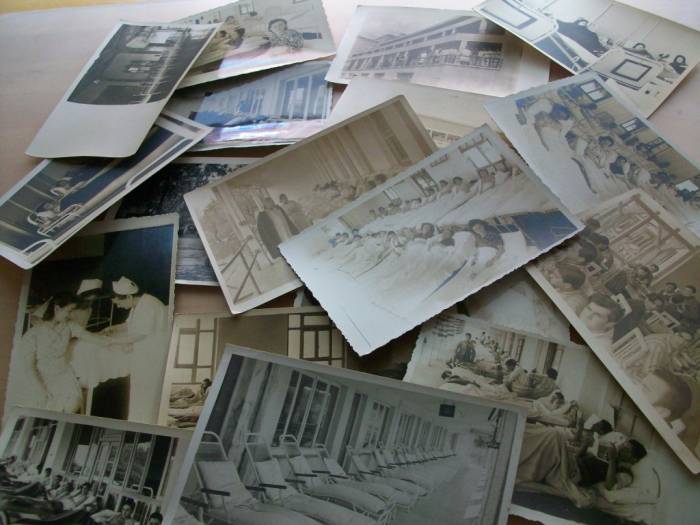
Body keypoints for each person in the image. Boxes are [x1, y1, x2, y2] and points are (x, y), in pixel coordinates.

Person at [12, 292, 118, 413]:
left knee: (73, 404)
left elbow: (93, 338)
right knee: (43, 406)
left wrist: (118, 342)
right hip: (40, 377)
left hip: (63, 375)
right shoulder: (33, 334)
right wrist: (40, 390)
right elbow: (29, 368)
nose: (71, 315)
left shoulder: (69, 326)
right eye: (69, 310)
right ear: (57, 309)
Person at [107, 277, 169, 423]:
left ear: (128, 297)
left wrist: (110, 340)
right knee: (139, 396)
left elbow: (138, 335)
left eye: (118, 303)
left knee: (147, 397)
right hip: (145, 356)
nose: (118, 307)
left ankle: (145, 424)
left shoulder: (148, 305)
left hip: (153, 358)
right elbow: (130, 325)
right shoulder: (139, 304)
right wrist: (113, 329)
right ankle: (139, 422)